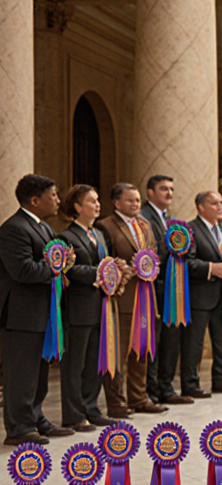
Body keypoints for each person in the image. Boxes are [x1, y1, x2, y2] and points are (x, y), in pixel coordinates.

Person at [0, 175, 75, 445]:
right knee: (21, 372)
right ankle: (19, 427)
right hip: (21, 315)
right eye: (52, 195)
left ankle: (36, 417)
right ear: (34, 200)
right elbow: (22, 270)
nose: (57, 199)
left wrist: (62, 264)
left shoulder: (43, 228)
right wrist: (56, 266)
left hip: (44, 312)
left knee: (40, 370)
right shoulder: (14, 228)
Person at [59, 185, 128, 430]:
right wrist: (100, 273)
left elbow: (106, 265)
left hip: (101, 306)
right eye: (91, 201)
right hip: (78, 309)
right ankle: (73, 414)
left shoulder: (98, 235)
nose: (97, 205)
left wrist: (117, 270)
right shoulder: (66, 237)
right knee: (74, 364)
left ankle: (91, 407)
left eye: (98, 200)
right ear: (77, 207)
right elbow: (68, 269)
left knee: (94, 362)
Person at [96, 183, 169, 415]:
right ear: (116, 203)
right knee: (117, 350)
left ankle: (139, 397)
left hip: (145, 296)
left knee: (142, 347)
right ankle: (116, 401)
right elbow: (105, 260)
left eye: (137, 200)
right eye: (130, 200)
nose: (135, 204)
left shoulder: (144, 225)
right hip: (121, 296)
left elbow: (153, 254)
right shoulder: (105, 225)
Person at [140, 174, 188, 405]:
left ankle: (166, 386)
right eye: (163, 189)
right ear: (150, 193)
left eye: (171, 189)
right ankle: (150, 389)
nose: (169, 193)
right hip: (152, 288)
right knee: (153, 339)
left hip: (172, 289)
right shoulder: (143, 218)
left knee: (171, 338)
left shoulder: (170, 220)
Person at [182, 191, 222, 395]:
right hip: (199, 295)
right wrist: (212, 268)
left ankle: (221, 379)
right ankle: (191, 384)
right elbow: (186, 262)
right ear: (201, 207)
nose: (220, 207)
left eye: (221, 202)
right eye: (214, 204)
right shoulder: (191, 230)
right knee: (194, 343)